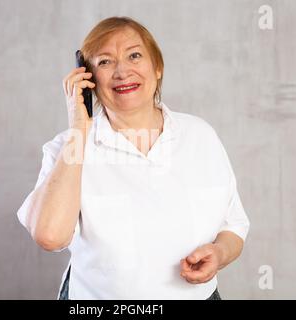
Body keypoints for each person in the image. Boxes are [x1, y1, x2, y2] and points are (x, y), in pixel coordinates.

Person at [17, 16, 250, 300]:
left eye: (134, 55)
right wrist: (79, 128)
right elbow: (50, 236)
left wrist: (220, 252)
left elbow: (233, 225)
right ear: (87, 79)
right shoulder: (68, 148)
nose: (122, 71)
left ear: (158, 67)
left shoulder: (201, 135)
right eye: (104, 62)